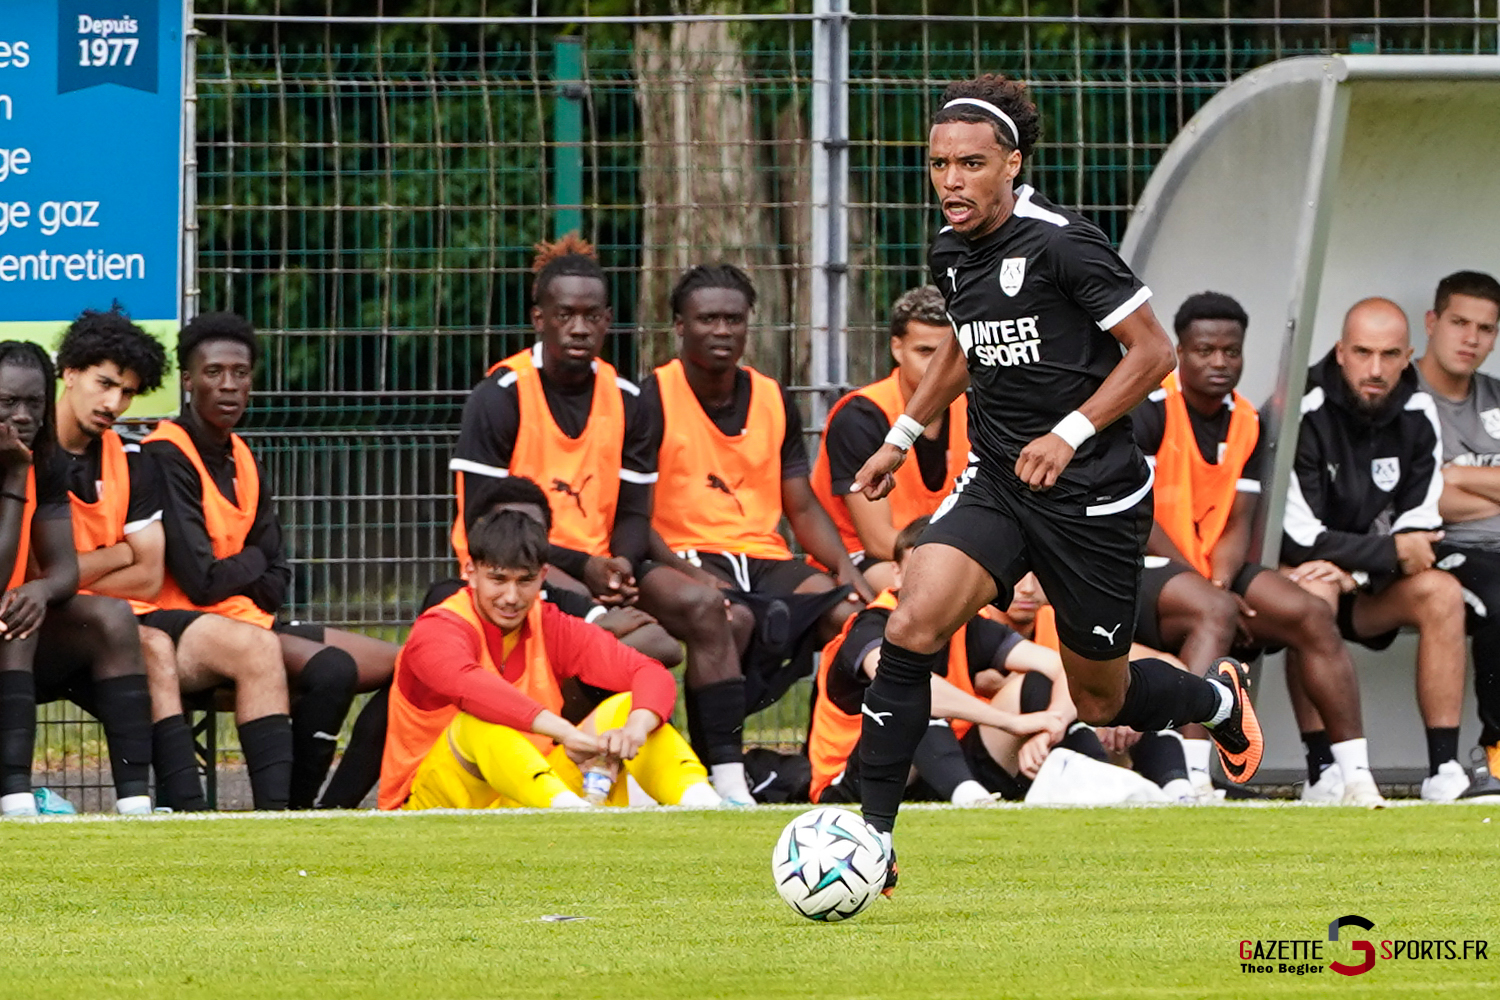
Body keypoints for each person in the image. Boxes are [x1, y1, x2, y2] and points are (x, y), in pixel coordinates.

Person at [848, 74, 1259, 883]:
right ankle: (873, 839)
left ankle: (1217, 702)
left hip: (1092, 499)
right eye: (939, 164)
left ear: (1012, 164)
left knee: (1101, 698)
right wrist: (901, 435)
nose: (951, 181)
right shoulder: (950, 250)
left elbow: (1154, 352)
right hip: (1000, 483)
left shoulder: (1065, 243)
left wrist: (1069, 434)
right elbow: (964, 346)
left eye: (971, 164)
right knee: (911, 624)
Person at [448, 235, 757, 804]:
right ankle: (600, 761)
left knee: (710, 608)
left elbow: (635, 508)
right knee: (653, 648)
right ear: (539, 318)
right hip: (523, 568)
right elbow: (480, 524)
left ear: (609, 320)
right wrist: (584, 569)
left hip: (601, 564)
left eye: (592, 316)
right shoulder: (501, 394)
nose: (579, 328)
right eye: (565, 314)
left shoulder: (627, 396)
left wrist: (619, 562)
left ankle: (729, 780)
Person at [1132, 292, 1382, 806]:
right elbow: (1142, 516)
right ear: (1180, 351)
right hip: (1146, 569)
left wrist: (1220, 584)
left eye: (1232, 351)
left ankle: (1352, 777)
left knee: (1311, 613)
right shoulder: (1150, 410)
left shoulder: (1247, 419)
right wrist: (1208, 590)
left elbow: (1239, 520)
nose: (1220, 362)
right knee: (1212, 611)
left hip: (1212, 572)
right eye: (1205, 350)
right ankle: (1194, 778)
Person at [143, 312, 397, 809]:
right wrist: (256, 558)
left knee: (409, 665)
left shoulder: (243, 456)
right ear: (188, 381)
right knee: (332, 670)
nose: (229, 385)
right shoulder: (165, 455)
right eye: (214, 372)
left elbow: (279, 578)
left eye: (240, 373)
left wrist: (252, 565)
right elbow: (200, 582)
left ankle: (331, 809)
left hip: (250, 616)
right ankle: (289, 810)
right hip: (188, 626)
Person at [641, 262, 876, 795]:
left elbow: (802, 504)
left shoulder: (772, 395)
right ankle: (721, 771)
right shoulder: (653, 396)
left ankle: (831, 763)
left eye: (734, 319)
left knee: (849, 615)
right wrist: (685, 572)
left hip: (762, 555)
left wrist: (845, 567)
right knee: (735, 620)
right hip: (685, 553)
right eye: (707, 319)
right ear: (679, 326)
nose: (721, 330)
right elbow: (634, 511)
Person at [53, 308, 294, 811]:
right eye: (105, 384)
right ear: (69, 373)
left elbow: (146, 577)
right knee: (153, 647)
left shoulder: (131, 458)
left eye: (127, 392)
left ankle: (274, 818)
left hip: (131, 613)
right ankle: (181, 805)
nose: (114, 403)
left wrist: (75, 569)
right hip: (50, 619)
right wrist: (117, 553)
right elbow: (36, 575)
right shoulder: (28, 455)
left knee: (261, 649)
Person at [379, 508, 720, 810]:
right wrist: (566, 733)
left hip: (530, 794)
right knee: (474, 724)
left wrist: (635, 730)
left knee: (629, 707)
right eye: (498, 579)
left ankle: (705, 805)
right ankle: (569, 817)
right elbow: (472, 690)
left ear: (542, 576)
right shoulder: (438, 627)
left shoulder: (550, 622)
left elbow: (649, 672)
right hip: (430, 803)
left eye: (524, 581)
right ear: (470, 572)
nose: (511, 597)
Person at [1281, 297, 1471, 802]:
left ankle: (1444, 770)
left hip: (1370, 586)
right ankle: (1324, 772)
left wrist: (1360, 572)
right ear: (1340, 351)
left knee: (1442, 592)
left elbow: (1419, 533)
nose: (1375, 369)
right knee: (1311, 594)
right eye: (1363, 352)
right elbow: (1300, 537)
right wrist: (1379, 557)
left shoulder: (1418, 410)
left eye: (1389, 355)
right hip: (1311, 577)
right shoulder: (1304, 409)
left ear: (1408, 356)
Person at [811, 516, 1082, 807]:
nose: (931, 583)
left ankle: (1099, 778)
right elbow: (909, 686)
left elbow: (1062, 668)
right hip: (859, 779)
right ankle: (972, 799)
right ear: (897, 574)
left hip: (944, 763)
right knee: (908, 704)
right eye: (919, 571)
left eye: (942, 571)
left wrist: (1052, 724)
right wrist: (1011, 723)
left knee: (1037, 685)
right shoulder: (870, 626)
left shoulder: (968, 624)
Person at [0, 342, 156, 817]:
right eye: (8, 402)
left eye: (35, 403)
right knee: (15, 619)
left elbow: (64, 567)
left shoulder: (45, 460)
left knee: (110, 616)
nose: (23, 415)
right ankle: (14, 795)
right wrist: (15, 475)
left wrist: (41, 589)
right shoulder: (22, 463)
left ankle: (136, 801)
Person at [811, 286, 971, 592]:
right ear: (897, 348)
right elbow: (877, 540)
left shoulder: (973, 410)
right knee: (930, 590)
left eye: (947, 354)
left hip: (949, 554)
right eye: (925, 351)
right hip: (865, 560)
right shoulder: (860, 416)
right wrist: (961, 559)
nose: (936, 365)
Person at [1412, 269, 1500, 788]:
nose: (1472, 339)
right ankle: (1496, 751)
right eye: (1459, 323)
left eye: (1486, 329)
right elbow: (1423, 499)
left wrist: (1458, 475)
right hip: (1442, 548)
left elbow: (1443, 486)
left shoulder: (1496, 397)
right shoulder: (1404, 394)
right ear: (1432, 322)